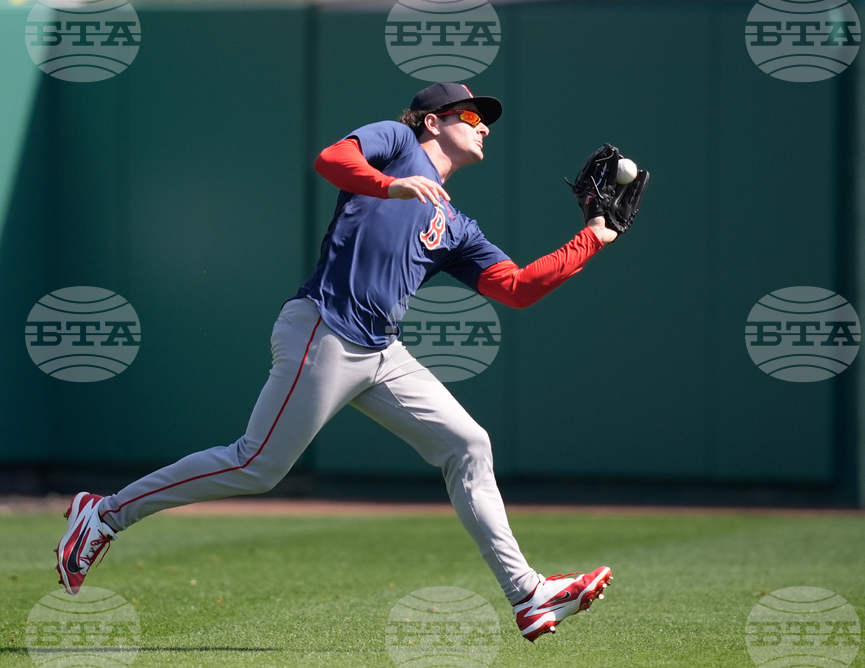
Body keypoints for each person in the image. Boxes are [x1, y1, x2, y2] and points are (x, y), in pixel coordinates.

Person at [56, 82, 616, 642]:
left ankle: (528, 595)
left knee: (469, 444)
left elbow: (516, 287)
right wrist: (391, 185)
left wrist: (592, 235)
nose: (483, 125)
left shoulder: (454, 222)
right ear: (432, 122)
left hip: (381, 351)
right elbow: (332, 158)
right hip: (323, 328)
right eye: (470, 114)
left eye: (485, 119)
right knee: (256, 465)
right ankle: (104, 513)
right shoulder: (398, 143)